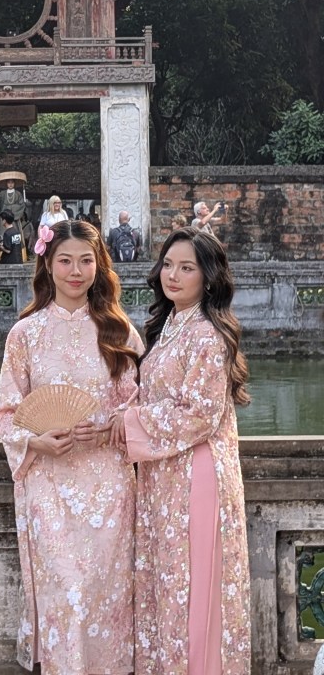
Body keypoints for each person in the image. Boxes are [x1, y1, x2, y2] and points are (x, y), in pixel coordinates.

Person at [0, 219, 144, 675]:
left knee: (106, 593)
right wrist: (35, 440)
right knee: (66, 592)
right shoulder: (25, 334)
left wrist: (108, 429)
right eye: (65, 261)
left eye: (85, 261)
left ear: (99, 265)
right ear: (47, 264)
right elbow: (4, 413)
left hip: (108, 485)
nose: (75, 271)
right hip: (49, 486)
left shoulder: (119, 332)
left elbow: (138, 406)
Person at [110, 226, 251, 675]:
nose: (172, 275)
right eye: (168, 265)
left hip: (197, 475)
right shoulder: (170, 325)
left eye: (186, 267)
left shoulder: (207, 334)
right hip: (164, 472)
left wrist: (129, 423)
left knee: (193, 589)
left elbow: (201, 413)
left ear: (208, 277)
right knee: (168, 583)